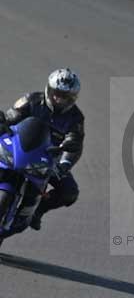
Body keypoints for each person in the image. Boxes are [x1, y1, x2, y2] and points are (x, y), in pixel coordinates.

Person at [0, 69, 84, 230]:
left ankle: (38, 211)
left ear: (73, 98)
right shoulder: (30, 100)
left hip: (47, 159)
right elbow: (11, 117)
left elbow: (75, 142)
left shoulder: (76, 118)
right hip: (18, 149)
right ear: (49, 89)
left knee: (70, 192)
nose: (58, 98)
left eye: (64, 96)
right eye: (56, 93)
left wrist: (65, 163)